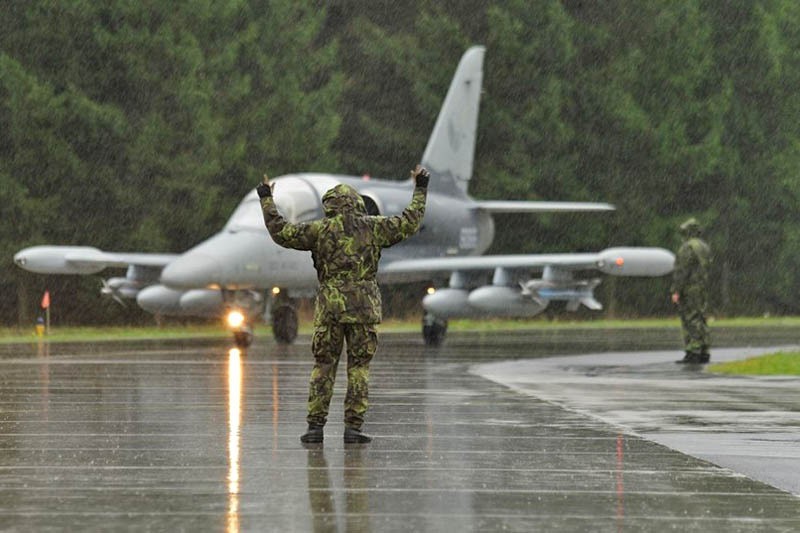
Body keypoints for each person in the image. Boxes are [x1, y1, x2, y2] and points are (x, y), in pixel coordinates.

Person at [258, 165, 429, 443]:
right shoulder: (375, 228)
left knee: (324, 366)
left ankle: (315, 428)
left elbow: (281, 232)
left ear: (329, 206)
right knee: (359, 368)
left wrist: (266, 198)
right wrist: (420, 188)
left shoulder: (319, 231)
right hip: (364, 309)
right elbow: (410, 221)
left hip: (330, 310)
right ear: (357, 204)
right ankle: (353, 428)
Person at [671, 217, 711, 364]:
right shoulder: (703, 246)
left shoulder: (687, 247)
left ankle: (693, 350)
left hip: (690, 288)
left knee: (690, 318)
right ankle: (704, 349)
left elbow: (682, 271)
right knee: (701, 316)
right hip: (701, 287)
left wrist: (676, 290)